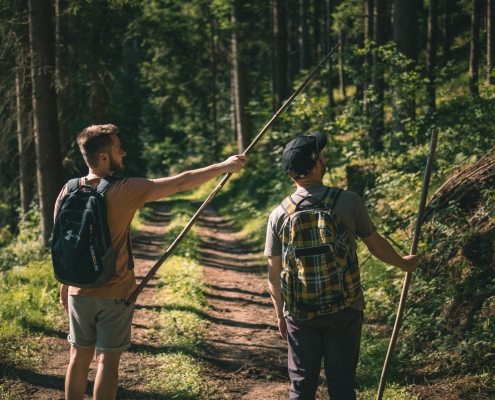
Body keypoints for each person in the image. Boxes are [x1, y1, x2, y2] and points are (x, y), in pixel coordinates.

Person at [56, 124, 247, 400]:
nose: (124, 151)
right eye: (117, 148)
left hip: (78, 292)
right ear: (103, 157)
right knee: (107, 362)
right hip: (116, 293)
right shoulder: (127, 190)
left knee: (77, 358)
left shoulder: (67, 190)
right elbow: (182, 181)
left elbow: (65, 242)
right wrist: (223, 166)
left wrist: (65, 284)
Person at [264, 132, 419, 400]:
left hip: (300, 313)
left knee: (301, 386)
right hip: (344, 307)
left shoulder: (279, 214)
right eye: (321, 154)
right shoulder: (348, 201)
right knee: (342, 385)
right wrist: (404, 264)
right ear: (316, 165)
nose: (324, 157)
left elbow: (273, 275)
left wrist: (281, 315)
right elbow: (377, 245)